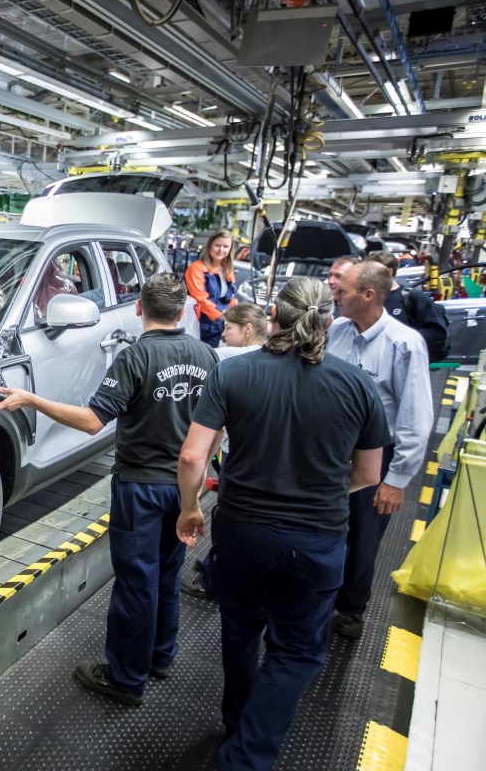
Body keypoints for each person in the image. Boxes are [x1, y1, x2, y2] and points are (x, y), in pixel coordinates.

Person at [176, 276, 390, 771]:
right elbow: (369, 474)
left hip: (242, 531)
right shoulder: (357, 384)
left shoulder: (234, 373)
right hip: (316, 541)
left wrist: (190, 508)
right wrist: (316, 497)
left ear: (273, 315)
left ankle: (236, 722)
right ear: (329, 322)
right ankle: (248, 754)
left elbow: (192, 456)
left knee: (240, 628)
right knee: (294, 651)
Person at [0, 272, 218, 706]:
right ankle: (160, 656)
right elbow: (215, 427)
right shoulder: (207, 355)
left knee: (136, 582)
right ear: (182, 309)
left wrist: (32, 399)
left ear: (139, 308)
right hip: (183, 488)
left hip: (140, 488)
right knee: (168, 572)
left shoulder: (135, 358)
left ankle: (125, 678)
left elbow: (94, 420)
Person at [328, 261, 434, 638]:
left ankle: (350, 609)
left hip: (375, 454)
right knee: (322, 527)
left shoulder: (404, 344)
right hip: (329, 450)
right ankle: (315, 598)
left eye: (344, 288)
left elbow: (415, 418)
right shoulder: (336, 332)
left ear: (369, 295)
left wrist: (396, 480)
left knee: (362, 536)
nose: (335, 292)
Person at [181, 303, 270, 599]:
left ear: (247, 329)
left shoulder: (226, 357)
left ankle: (214, 578)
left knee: (229, 518)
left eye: (228, 329)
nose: (222, 335)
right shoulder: (274, 358)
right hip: (263, 455)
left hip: (235, 454)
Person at [368, 250, 449, 363]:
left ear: (389, 272)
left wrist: (400, 341)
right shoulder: (369, 298)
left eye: (372, 272)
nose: (367, 276)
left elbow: (437, 335)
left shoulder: (413, 298)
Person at [185, 230, 237, 347]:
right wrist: (221, 317)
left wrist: (231, 318)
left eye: (225, 246)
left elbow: (231, 296)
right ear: (210, 246)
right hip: (200, 324)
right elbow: (199, 298)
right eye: (217, 245)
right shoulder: (196, 268)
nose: (221, 250)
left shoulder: (227, 269)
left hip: (218, 324)